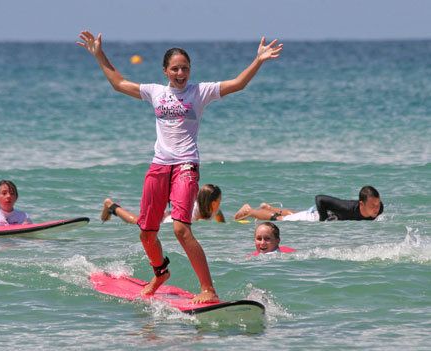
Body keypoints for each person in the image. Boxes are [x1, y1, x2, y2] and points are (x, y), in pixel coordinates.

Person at [78, 30, 282, 303]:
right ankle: (160, 273)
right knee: (146, 233)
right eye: (175, 68)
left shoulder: (200, 92)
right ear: (165, 71)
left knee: (180, 229)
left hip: (186, 165)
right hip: (159, 166)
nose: (180, 72)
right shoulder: (155, 92)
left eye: (185, 68)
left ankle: (208, 288)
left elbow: (237, 84)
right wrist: (98, 54)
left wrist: (258, 60)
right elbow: (119, 83)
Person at [234, 185, 384, 222]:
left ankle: (268, 207)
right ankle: (251, 211)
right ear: (361, 204)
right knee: (281, 221)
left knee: (296, 214)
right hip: (320, 213)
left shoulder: (378, 209)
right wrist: (323, 221)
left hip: (321, 212)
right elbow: (320, 198)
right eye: (372, 206)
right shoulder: (347, 207)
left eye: (377, 204)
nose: (376, 209)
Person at [101, 184, 225, 224]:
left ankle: (111, 207)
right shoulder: (193, 214)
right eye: (220, 200)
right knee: (138, 222)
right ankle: (110, 205)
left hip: (170, 214)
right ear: (213, 203)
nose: (220, 203)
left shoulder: (210, 208)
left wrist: (223, 226)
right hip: (169, 221)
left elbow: (219, 215)